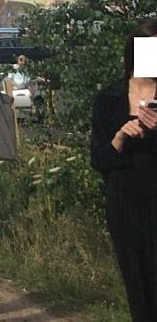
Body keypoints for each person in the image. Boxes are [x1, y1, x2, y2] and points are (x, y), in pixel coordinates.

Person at [91, 18, 157, 322]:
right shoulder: (109, 98)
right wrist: (120, 136)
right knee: (136, 276)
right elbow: (99, 160)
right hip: (126, 200)